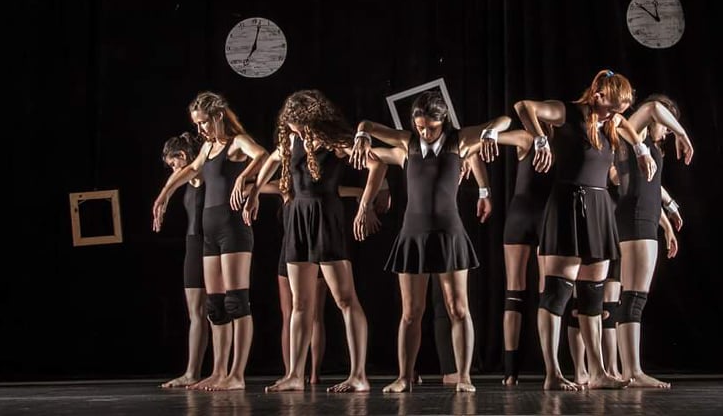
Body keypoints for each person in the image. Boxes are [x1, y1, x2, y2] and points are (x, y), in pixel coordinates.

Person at [351, 90, 510, 393]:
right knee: (411, 313)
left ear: (443, 121)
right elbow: (367, 125)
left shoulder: (458, 141)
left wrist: (490, 133)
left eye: (431, 127)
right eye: (420, 126)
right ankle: (403, 377)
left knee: (458, 309)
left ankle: (464, 377)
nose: (425, 132)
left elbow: (505, 120)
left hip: (450, 234)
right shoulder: (407, 144)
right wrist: (361, 136)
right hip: (413, 235)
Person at [514, 69, 656, 391]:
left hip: (599, 206)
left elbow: (626, 125)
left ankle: (598, 372)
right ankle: (553, 373)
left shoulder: (612, 121)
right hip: (568, 204)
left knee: (593, 297)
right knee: (557, 293)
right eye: (611, 107)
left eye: (620, 110)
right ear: (597, 95)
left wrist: (641, 149)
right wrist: (540, 139)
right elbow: (524, 107)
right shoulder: (566, 111)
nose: (614, 115)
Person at [243, 89, 385, 393]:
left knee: (345, 299)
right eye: (290, 126)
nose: (294, 130)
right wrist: (253, 192)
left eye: (298, 125)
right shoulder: (292, 141)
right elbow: (273, 159)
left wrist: (365, 205)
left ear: (312, 119)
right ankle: (295, 375)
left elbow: (378, 165)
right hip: (297, 218)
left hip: (325, 216)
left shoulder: (335, 142)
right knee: (300, 303)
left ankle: (358, 375)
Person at [153, 91, 268, 391]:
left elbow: (263, 155)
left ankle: (236, 375)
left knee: (236, 302)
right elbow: (191, 169)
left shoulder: (236, 143)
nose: (200, 129)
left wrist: (244, 177)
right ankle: (219, 372)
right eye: (197, 124)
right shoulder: (206, 147)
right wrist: (164, 194)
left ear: (217, 116)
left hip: (233, 229)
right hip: (210, 230)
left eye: (203, 122)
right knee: (215, 306)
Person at [612, 93, 693, 388]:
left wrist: (668, 216)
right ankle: (631, 371)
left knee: (635, 297)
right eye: (667, 126)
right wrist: (683, 135)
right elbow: (652, 107)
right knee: (633, 297)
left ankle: (629, 370)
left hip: (644, 216)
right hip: (634, 217)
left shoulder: (648, 147)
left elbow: (650, 187)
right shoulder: (635, 133)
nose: (668, 132)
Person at [493, 129, 554, 385]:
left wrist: (480, 141)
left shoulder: (530, 138)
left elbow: (489, 136)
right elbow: (491, 137)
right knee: (538, 295)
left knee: (522, 294)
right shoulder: (529, 137)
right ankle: (530, 370)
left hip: (530, 215)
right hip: (537, 215)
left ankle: (516, 372)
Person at [155, 132, 209, 388]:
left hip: (210, 242)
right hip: (193, 242)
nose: (173, 170)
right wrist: (166, 196)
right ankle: (191, 373)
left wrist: (165, 193)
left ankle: (221, 371)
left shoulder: (200, 171)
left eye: (173, 163)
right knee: (196, 312)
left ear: (183, 155)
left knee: (216, 311)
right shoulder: (187, 177)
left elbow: (187, 172)